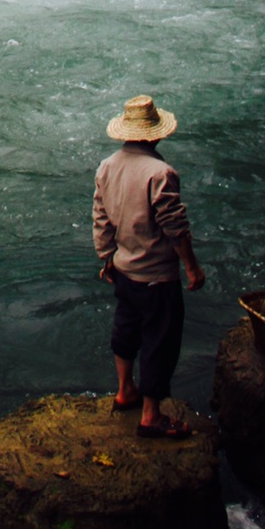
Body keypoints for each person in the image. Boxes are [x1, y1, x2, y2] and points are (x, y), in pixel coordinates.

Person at [92, 94, 206, 439]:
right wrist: (191, 267)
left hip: (123, 269)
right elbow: (174, 227)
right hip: (156, 277)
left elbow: (100, 217)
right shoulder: (161, 172)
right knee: (160, 341)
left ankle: (125, 389)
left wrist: (106, 257)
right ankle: (151, 416)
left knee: (126, 329)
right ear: (155, 134)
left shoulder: (107, 166)